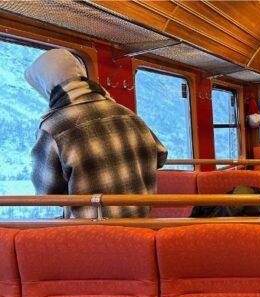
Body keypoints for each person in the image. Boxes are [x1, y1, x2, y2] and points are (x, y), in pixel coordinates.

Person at [24, 48, 167, 218]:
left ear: (45, 85)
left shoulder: (54, 126)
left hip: (93, 236)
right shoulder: (127, 113)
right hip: (141, 228)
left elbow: (46, 192)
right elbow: (160, 156)